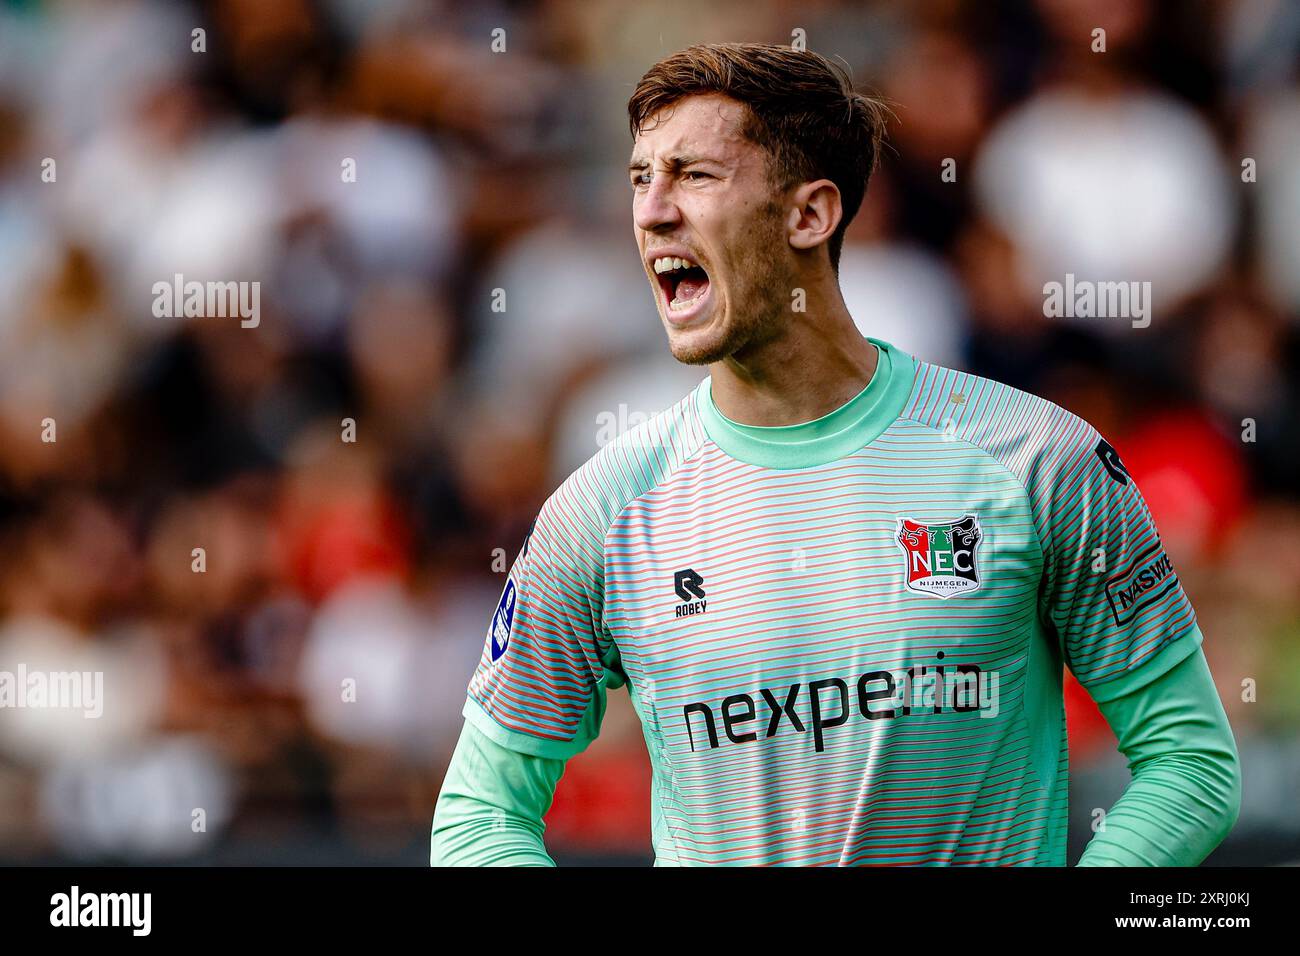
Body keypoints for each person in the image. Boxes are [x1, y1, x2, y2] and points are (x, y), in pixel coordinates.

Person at [430, 42, 1240, 866]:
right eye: (641, 178)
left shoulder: (1037, 459)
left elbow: (1189, 762)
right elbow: (478, 816)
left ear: (810, 215)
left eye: (694, 175)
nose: (652, 211)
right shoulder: (602, 510)